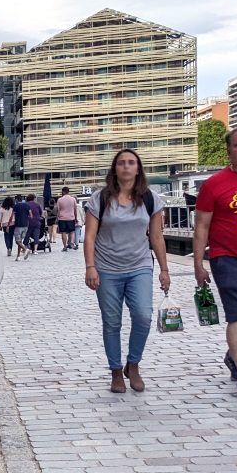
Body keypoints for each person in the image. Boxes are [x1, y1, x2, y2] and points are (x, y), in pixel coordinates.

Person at [84, 149, 169, 394]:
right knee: (111, 322)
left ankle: (133, 364)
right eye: (121, 163)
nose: (126, 166)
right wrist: (90, 267)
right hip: (107, 268)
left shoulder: (150, 199)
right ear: (115, 169)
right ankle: (115, 371)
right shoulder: (100, 199)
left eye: (131, 163)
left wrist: (164, 269)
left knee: (143, 316)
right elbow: (89, 237)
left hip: (140, 266)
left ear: (138, 169)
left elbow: (156, 236)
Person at [193, 126, 237, 399]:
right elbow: (201, 227)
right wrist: (198, 264)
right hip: (230, 259)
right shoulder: (214, 185)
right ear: (229, 151)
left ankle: (235, 355)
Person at [56, 187, 79, 251]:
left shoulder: (60, 200)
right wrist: (76, 218)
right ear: (68, 191)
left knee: (63, 232)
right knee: (72, 231)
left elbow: (58, 210)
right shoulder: (73, 199)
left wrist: (57, 218)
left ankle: (65, 247)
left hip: (62, 218)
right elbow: (75, 210)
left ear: (63, 192)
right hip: (71, 218)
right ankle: (71, 242)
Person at [12, 194, 31, 260]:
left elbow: (12, 216)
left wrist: (9, 224)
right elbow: (31, 215)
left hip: (18, 225)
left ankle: (25, 249)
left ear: (16, 199)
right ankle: (18, 256)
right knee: (20, 241)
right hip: (26, 225)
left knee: (17, 241)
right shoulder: (27, 205)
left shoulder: (15, 206)